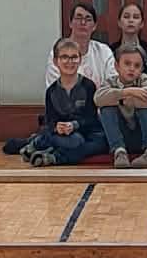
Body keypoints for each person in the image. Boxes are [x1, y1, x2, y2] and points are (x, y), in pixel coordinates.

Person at [24, 38, 106, 167]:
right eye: (64, 57)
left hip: (87, 131)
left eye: (74, 57)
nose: (70, 62)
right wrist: (57, 127)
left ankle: (51, 155)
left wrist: (74, 125)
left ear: (80, 60)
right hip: (66, 135)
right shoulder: (51, 91)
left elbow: (91, 118)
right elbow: (50, 121)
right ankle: (40, 142)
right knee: (75, 141)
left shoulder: (88, 86)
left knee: (101, 143)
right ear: (55, 61)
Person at [94, 44, 147, 166]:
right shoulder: (110, 82)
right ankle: (119, 151)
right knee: (106, 107)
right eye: (127, 64)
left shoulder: (144, 80)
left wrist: (118, 98)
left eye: (137, 65)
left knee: (145, 107)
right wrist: (128, 92)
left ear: (142, 69)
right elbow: (98, 99)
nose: (132, 69)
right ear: (116, 66)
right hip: (121, 135)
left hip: (141, 133)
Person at [44, 3, 116, 89]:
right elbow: (54, 89)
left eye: (88, 19)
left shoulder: (104, 51)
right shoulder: (58, 52)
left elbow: (114, 83)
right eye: (78, 18)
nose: (83, 22)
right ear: (70, 23)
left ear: (94, 26)